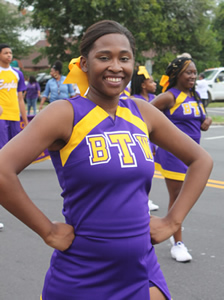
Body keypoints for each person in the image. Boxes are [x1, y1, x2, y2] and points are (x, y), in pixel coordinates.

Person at [0, 20, 213, 300]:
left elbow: (201, 160)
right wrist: (48, 231)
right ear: (84, 64)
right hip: (82, 272)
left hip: (142, 268)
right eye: (104, 57)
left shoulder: (141, 111)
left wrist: (173, 221)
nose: (116, 66)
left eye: (124, 58)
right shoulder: (65, 113)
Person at [151, 56, 212, 263]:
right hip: (174, 155)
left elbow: (203, 118)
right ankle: (177, 243)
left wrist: (208, 120)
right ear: (177, 75)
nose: (193, 76)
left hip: (192, 157)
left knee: (184, 198)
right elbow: (145, 113)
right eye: (189, 72)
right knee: (177, 198)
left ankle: (169, 232)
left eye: (194, 72)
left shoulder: (193, 96)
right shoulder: (169, 96)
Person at [130, 65, 159, 211]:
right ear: (143, 85)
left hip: (153, 142)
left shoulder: (155, 99)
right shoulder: (134, 100)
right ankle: (140, 199)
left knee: (149, 171)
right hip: (140, 141)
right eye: (151, 82)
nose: (155, 84)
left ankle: (146, 198)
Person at [0, 43, 28, 150]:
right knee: (2, 147)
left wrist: (25, 121)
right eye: (5, 53)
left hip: (14, 115)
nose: (9, 55)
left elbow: (21, 99)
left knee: (14, 148)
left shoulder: (17, 74)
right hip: (1, 116)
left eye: (10, 53)